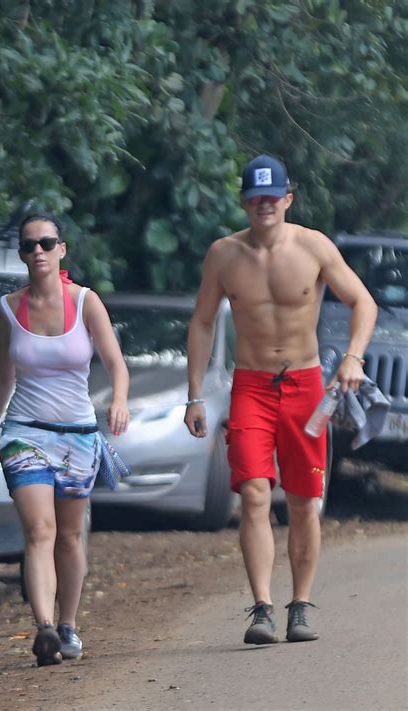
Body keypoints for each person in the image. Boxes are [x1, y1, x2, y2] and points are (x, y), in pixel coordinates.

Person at [184, 154, 377, 644]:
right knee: (252, 493)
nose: (264, 205)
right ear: (245, 202)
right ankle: (263, 608)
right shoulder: (223, 254)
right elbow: (204, 321)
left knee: (304, 501)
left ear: (288, 199)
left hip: (306, 387)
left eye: (272, 197)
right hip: (252, 385)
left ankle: (301, 605)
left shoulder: (313, 246)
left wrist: (353, 358)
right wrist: (195, 395)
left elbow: (363, 302)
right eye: (255, 197)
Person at [0, 213, 130, 666]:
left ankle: (67, 624)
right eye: (30, 246)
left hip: (77, 436)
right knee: (39, 530)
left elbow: (115, 362)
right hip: (24, 433)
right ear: (22, 254)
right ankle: (44, 627)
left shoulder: (85, 302)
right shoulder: (8, 308)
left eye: (47, 243)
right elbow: (3, 372)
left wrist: (119, 401)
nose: (39, 252)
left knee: (68, 535)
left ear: (62, 249)